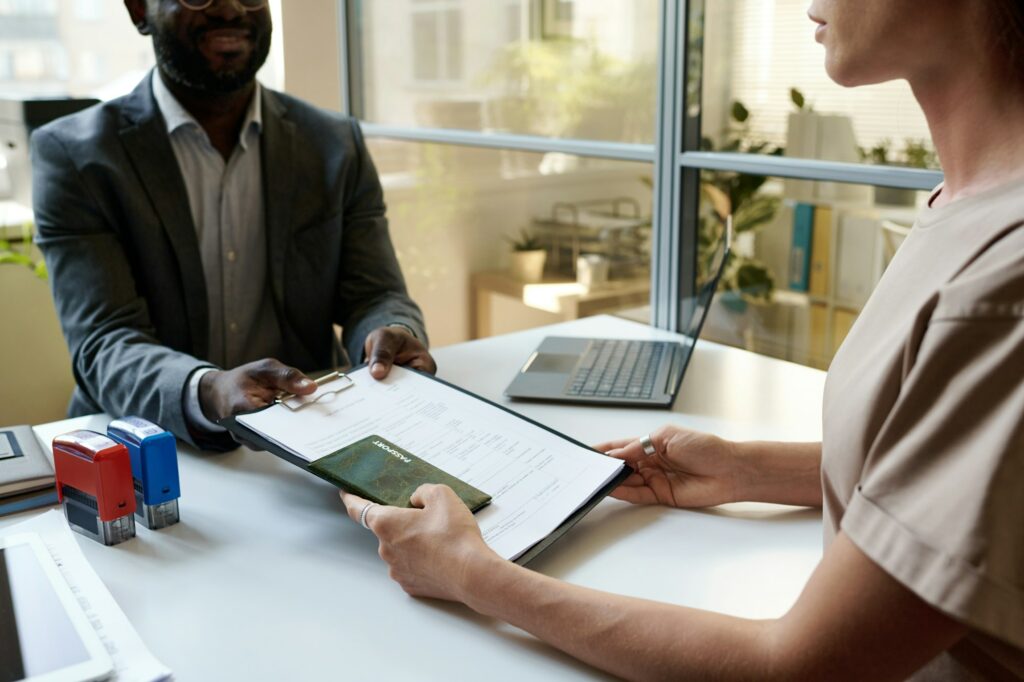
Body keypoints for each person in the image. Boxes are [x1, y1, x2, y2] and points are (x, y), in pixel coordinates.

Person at [340, 0, 1024, 678]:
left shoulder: (1006, 277)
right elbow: (960, 473)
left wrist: (473, 575)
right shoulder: (964, 203)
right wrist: (749, 470)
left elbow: (801, 668)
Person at [32, 0, 435, 451]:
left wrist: (394, 332)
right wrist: (209, 389)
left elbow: (375, 293)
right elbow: (105, 342)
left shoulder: (334, 143)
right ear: (139, 9)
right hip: (147, 448)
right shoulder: (75, 156)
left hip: (312, 437)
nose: (229, 9)